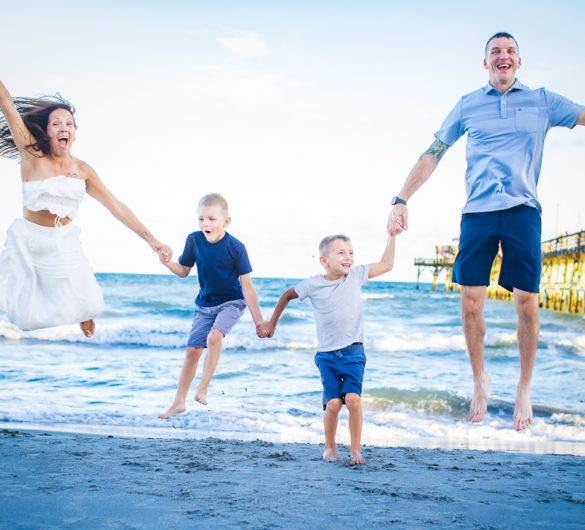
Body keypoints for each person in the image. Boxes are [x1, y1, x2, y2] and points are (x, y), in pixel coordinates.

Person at [387, 32, 585, 431]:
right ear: (486, 63)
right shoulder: (468, 105)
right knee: (470, 304)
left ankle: (524, 387)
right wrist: (401, 198)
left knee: (528, 303)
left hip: (523, 211)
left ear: (519, 61)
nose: (503, 56)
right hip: (477, 212)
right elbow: (432, 155)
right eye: (496, 51)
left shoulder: (543, 101)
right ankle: (480, 380)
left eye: (510, 51)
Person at [0, 81, 171, 337]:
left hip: (64, 242)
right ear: (46, 132)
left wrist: (153, 241)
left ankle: (81, 313)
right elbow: (8, 105)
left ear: (75, 133)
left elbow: (116, 207)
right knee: (22, 312)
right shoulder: (32, 154)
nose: (63, 128)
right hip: (29, 241)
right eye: (56, 124)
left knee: (89, 301)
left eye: (68, 124)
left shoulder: (83, 170)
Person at [257, 233, 396, 465]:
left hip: (353, 351)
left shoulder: (356, 275)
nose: (348, 257)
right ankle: (330, 446)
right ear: (324, 261)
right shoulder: (313, 284)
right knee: (333, 404)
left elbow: (386, 264)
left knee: (353, 400)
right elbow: (287, 295)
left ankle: (355, 450)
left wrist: (392, 236)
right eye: (341, 252)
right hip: (326, 356)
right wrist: (272, 323)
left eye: (351, 252)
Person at [158, 193, 264, 418]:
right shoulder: (194, 240)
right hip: (204, 304)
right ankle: (179, 402)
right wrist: (167, 262)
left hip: (232, 303)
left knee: (214, 337)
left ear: (226, 222)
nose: (205, 224)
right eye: (201, 219)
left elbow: (247, 286)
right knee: (192, 351)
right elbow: (184, 271)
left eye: (211, 219)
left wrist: (259, 321)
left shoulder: (236, 247)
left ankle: (203, 388)